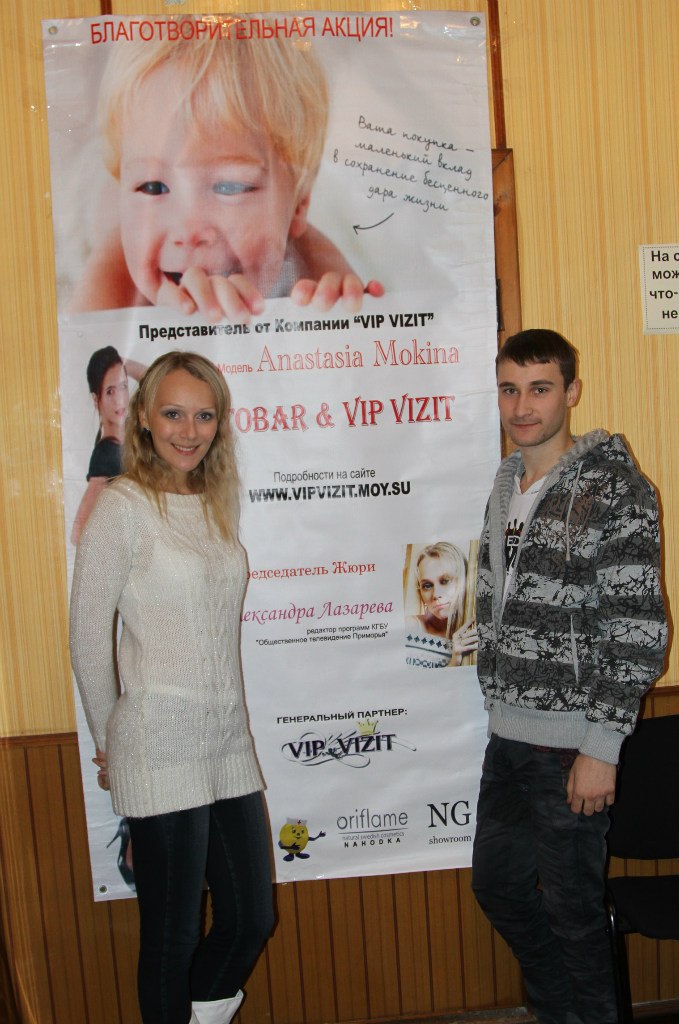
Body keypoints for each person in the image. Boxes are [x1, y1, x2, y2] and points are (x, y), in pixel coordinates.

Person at [69, 351, 274, 1024]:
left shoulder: (211, 505)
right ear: (144, 419)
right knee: (171, 938)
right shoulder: (122, 507)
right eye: (174, 414)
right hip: (157, 743)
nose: (190, 431)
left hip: (226, 742)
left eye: (204, 416)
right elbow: (87, 638)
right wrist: (109, 741)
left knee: (250, 919)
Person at [471, 329, 667, 1024]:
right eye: (509, 389)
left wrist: (600, 747)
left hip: (571, 745)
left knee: (576, 915)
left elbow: (638, 629)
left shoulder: (615, 490)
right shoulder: (506, 485)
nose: (522, 406)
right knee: (497, 888)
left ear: (571, 392)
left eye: (540, 388)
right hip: (508, 739)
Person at [70, 20, 383, 320]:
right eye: (153, 188)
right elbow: (82, 346)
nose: (188, 231)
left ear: (300, 204)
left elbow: (363, 338)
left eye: (229, 187)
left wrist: (344, 313)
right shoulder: (116, 274)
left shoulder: (311, 266)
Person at [71, 346, 145, 545]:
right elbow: (78, 532)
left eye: (123, 386)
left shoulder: (132, 430)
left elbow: (156, 381)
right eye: (110, 391)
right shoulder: (106, 454)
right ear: (97, 399)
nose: (120, 399)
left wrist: (123, 362)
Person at [405, 541, 478, 668]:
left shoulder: (475, 629)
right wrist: (454, 661)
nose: (436, 594)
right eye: (427, 585)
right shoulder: (410, 627)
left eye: (445, 581)